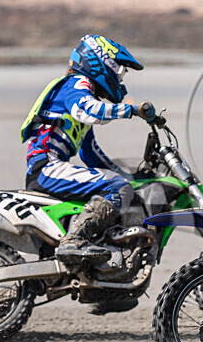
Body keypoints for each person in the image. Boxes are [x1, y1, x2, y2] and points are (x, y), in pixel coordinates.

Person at [20, 34, 157, 264]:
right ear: (100, 62)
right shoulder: (76, 84)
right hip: (46, 167)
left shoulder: (81, 93)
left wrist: (130, 177)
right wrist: (131, 110)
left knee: (119, 185)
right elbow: (88, 110)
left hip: (51, 168)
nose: (120, 77)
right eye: (119, 70)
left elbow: (90, 153)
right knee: (116, 187)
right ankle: (74, 241)